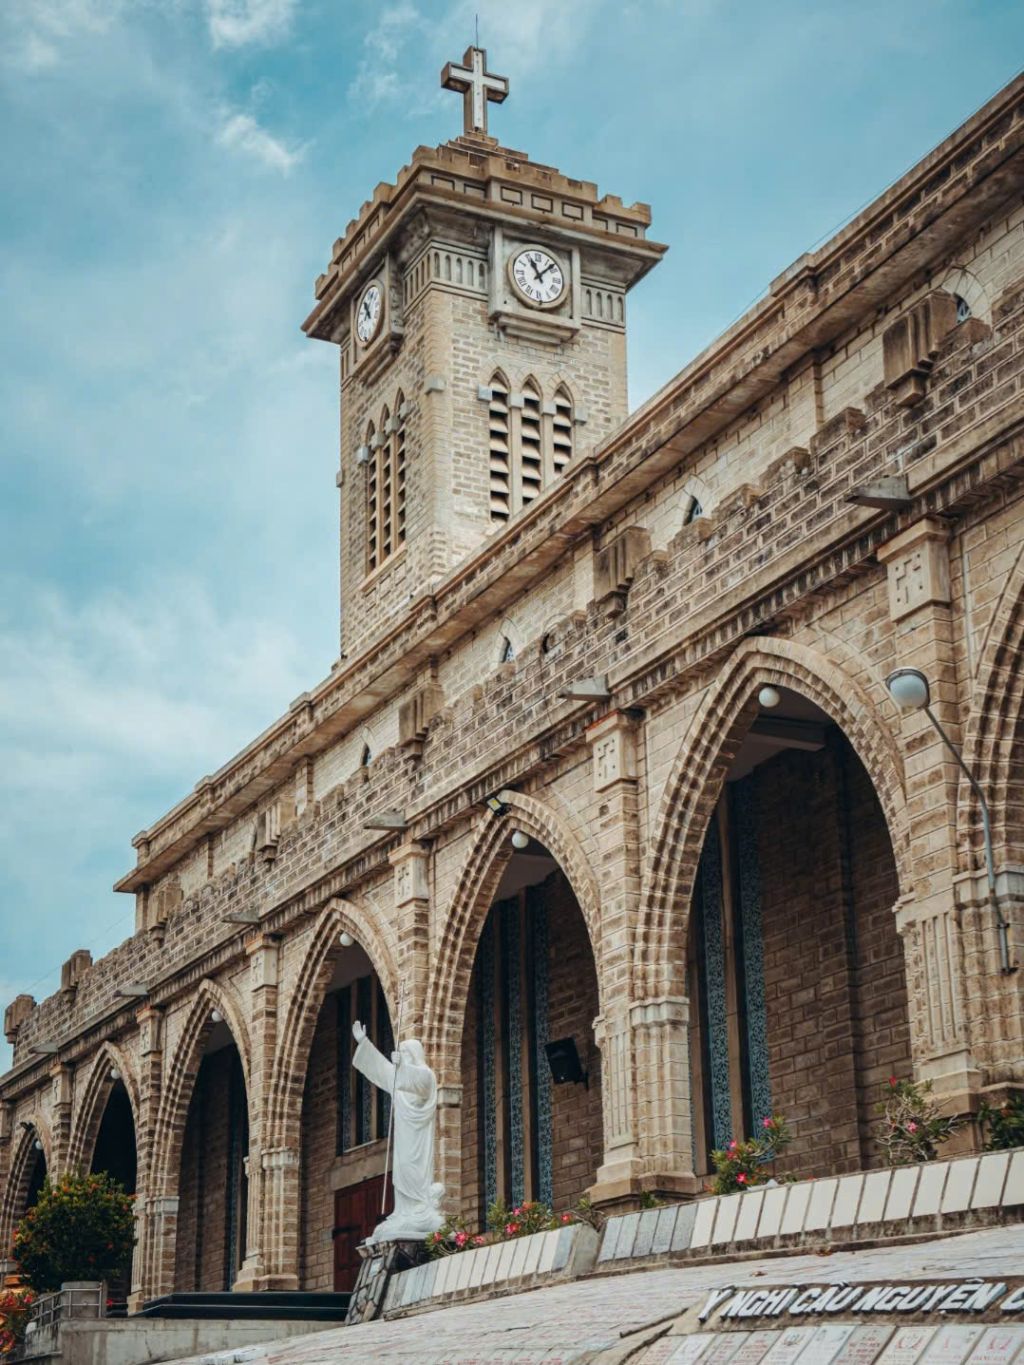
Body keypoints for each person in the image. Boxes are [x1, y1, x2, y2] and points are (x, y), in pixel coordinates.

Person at [351, 1020, 445, 1243]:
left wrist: (403, 1067)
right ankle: (404, 1213)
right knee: (401, 1174)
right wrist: (364, 1043)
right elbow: (384, 1072)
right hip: (403, 1143)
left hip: (418, 1144)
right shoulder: (400, 1083)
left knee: (415, 1175)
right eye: (399, 1052)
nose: (400, 1055)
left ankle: (420, 1211)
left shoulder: (425, 1077)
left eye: (405, 1052)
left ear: (414, 1054)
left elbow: (415, 1081)